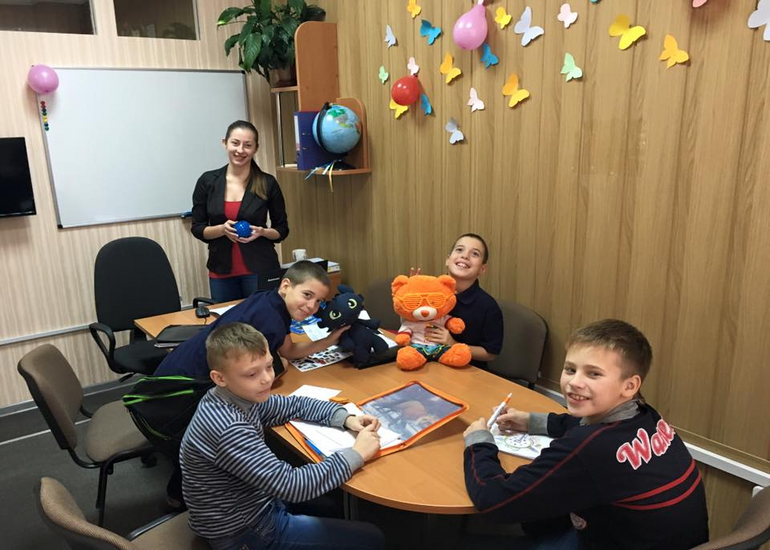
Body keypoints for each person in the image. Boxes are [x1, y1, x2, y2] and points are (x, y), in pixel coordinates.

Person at [462, 319, 709, 549]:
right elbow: (584, 425)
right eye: (570, 369)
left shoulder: (590, 448)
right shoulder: (646, 415)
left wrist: (478, 442)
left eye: (594, 374)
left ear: (629, 385)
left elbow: (495, 501)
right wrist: (532, 421)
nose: (574, 382)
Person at [181, 322, 385, 550]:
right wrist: (357, 454)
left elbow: (292, 405)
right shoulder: (229, 427)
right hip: (243, 530)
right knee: (372, 537)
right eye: (252, 374)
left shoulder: (235, 395)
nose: (267, 379)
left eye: (269, 366)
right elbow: (291, 485)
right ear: (220, 378)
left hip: (253, 501)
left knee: (329, 505)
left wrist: (345, 418)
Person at [154, 260, 346, 378]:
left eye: (319, 301)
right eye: (307, 295)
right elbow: (265, 374)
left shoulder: (269, 300)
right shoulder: (270, 321)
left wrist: (329, 340)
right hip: (183, 388)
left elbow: (288, 350)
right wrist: (281, 364)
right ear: (285, 286)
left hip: (175, 366)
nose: (312, 306)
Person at [192, 120, 289, 303]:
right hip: (221, 272)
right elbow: (198, 228)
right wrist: (221, 229)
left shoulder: (268, 183)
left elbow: (282, 230)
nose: (240, 150)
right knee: (227, 320)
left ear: (256, 148)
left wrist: (262, 232)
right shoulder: (207, 181)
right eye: (235, 143)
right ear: (225, 143)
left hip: (260, 270)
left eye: (248, 145)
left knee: (262, 319)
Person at [423, 233, 503, 369]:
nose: (465, 256)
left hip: (465, 370)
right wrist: (409, 296)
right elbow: (408, 324)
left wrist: (454, 344)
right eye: (459, 250)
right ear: (447, 260)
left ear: (482, 269)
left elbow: (490, 353)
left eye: (475, 254)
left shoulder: (488, 306)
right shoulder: (430, 291)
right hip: (427, 361)